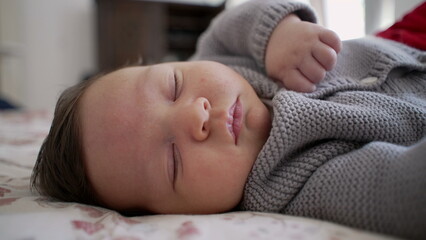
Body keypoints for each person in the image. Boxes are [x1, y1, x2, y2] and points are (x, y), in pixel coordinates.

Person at [31, 0, 426, 239]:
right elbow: (401, 190)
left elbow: (227, 24)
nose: (196, 115)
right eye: (173, 161)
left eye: (172, 86)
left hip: (402, 41)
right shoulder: (298, 187)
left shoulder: (222, 56)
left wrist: (278, 35)